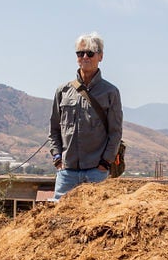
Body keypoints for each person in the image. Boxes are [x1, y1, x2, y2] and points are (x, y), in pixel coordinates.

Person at [49, 32, 123, 199]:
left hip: (96, 173)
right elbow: (54, 129)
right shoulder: (63, 91)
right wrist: (58, 159)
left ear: (100, 56)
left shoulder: (110, 92)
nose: (84, 57)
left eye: (90, 53)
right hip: (66, 173)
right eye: (80, 53)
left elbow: (115, 132)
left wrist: (104, 164)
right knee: (58, 214)